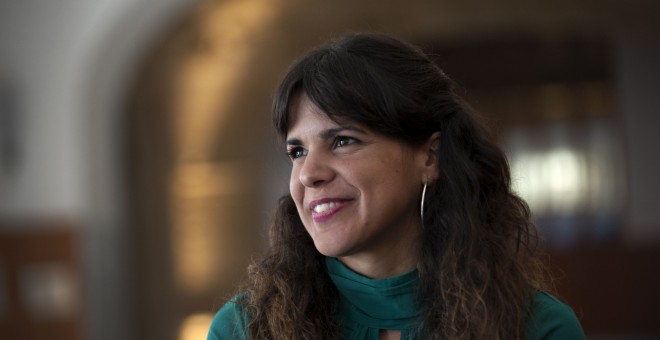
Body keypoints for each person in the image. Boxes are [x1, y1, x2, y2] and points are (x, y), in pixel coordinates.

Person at [207, 32, 585, 339]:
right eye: (298, 151)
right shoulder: (244, 330)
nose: (309, 173)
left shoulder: (537, 329)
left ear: (430, 157)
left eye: (343, 141)